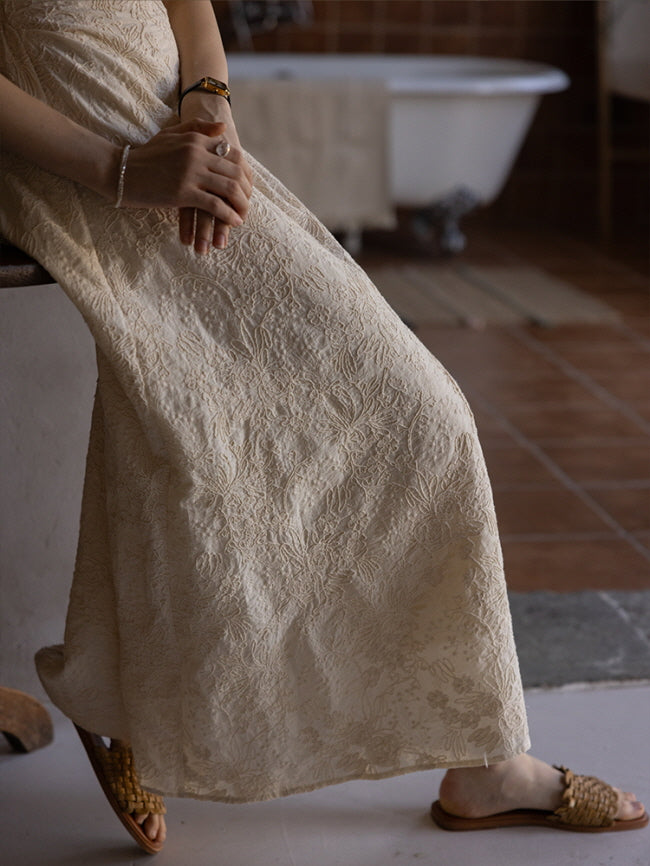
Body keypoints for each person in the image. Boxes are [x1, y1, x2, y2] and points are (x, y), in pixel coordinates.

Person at [0, 0, 646, 854]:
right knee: (183, 432)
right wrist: (122, 170)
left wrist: (207, 103)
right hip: (86, 178)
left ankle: (485, 756)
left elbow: (189, 6)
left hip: (193, 163)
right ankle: (123, 708)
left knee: (426, 414)